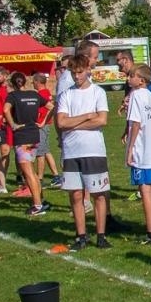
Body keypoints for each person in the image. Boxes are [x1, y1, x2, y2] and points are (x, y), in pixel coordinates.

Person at [56, 54, 112, 251]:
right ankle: (81, 235)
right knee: (76, 195)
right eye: (73, 73)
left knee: (99, 194)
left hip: (93, 150)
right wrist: (87, 116)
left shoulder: (98, 92)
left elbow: (102, 120)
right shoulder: (66, 95)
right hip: (71, 151)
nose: (76, 76)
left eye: (79, 72)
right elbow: (62, 122)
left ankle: (101, 235)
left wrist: (75, 123)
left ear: (88, 70)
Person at [124, 65, 151, 245]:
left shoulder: (136, 95)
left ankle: (150, 232)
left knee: (145, 190)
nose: (128, 79)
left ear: (141, 80)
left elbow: (136, 123)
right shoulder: (150, 97)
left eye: (132, 76)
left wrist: (130, 149)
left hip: (141, 150)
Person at [4, 71, 49, 216]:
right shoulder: (34, 94)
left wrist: (13, 125)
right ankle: (40, 200)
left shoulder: (12, 96)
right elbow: (51, 106)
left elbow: (5, 109)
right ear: (25, 82)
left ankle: (37, 205)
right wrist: (42, 121)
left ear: (12, 84)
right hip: (34, 135)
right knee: (33, 172)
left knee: (28, 173)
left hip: (22, 137)